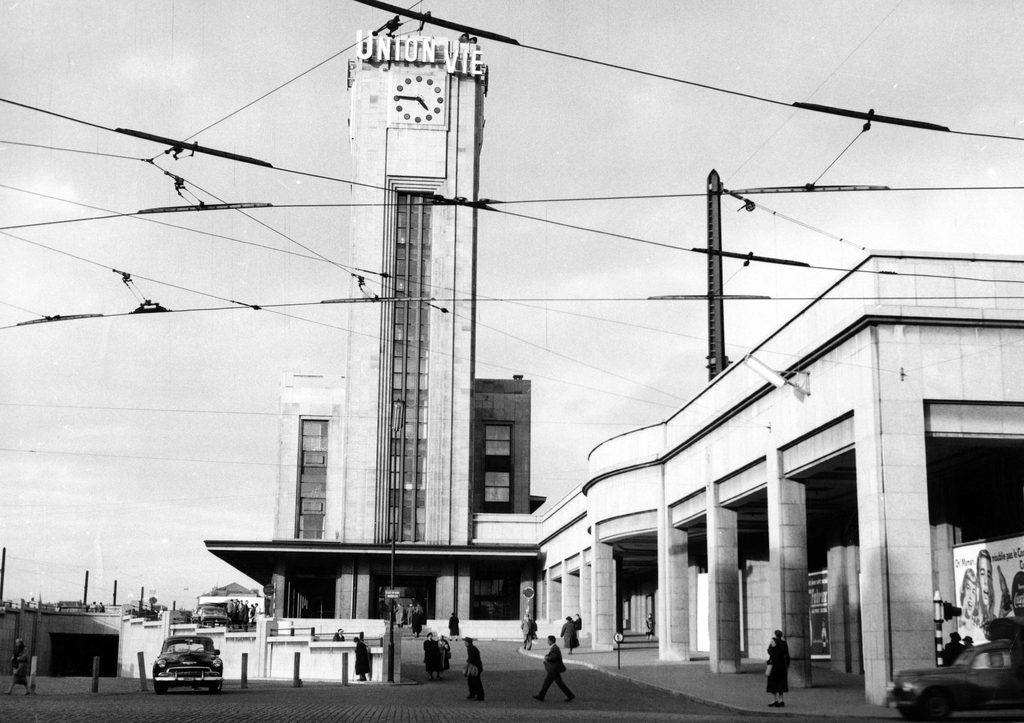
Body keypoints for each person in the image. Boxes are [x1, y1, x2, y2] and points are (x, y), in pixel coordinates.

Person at [533, 634, 575, 702]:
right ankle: (541, 696)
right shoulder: (555, 647)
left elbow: (554, 657)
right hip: (554, 669)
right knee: (550, 683)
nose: (547, 642)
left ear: (551, 641)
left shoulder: (555, 648)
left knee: (554, 684)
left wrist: (547, 658)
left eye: (548, 640)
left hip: (554, 669)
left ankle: (570, 695)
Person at [766, 629, 790, 708]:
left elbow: (769, 651)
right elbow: (786, 653)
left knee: (773, 683)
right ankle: (781, 700)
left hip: (774, 666)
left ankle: (774, 700)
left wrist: (772, 645)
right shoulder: (784, 643)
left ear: (775, 635)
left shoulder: (773, 642)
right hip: (782, 666)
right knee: (781, 683)